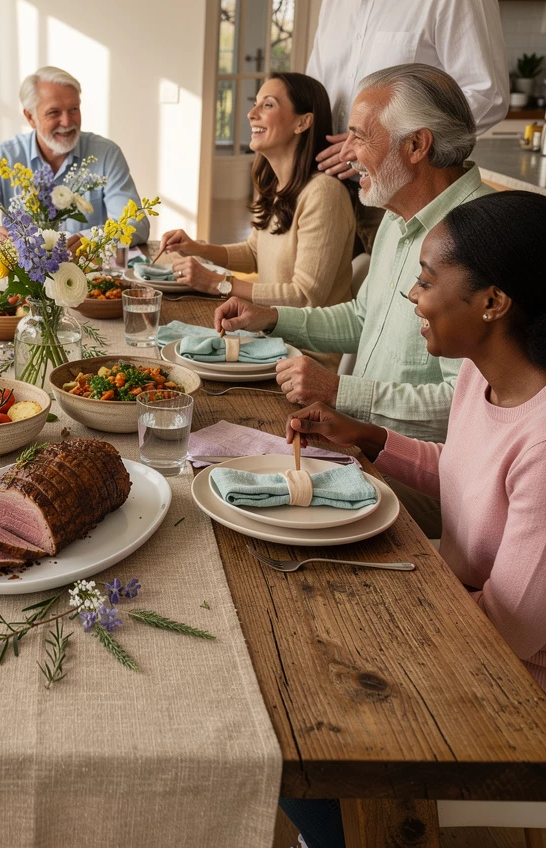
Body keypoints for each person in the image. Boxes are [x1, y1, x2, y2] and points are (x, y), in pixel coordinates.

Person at [279, 190, 546, 848]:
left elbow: (509, 633)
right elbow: (463, 473)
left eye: (427, 280)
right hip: (457, 620)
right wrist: (364, 437)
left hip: (514, 685)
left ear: (492, 302)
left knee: (292, 722)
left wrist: (381, 605)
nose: (412, 296)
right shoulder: (479, 376)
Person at [214, 64, 495, 536]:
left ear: (416, 145)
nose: (347, 153)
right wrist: (273, 318)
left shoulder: (479, 238)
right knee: (224, 462)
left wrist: (340, 392)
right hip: (360, 443)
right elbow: (364, 318)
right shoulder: (398, 213)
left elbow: (462, 405)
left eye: (359, 137)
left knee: (240, 502)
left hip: (428, 479)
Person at [303, 0, 507, 249]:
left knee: (400, 306)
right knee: (338, 305)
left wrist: (382, 141)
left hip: (410, 195)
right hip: (333, 192)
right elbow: (319, 86)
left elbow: (486, 94)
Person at [161, 73, 354, 336]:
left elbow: (304, 296)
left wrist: (218, 283)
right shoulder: (276, 186)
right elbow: (254, 253)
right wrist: (196, 248)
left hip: (304, 355)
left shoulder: (324, 193)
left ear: (303, 122)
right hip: (268, 336)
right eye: (256, 103)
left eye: (268, 105)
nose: (251, 113)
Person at [0, 66, 149, 249]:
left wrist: (89, 239)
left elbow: (136, 224)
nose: (67, 121)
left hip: (88, 276)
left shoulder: (106, 154)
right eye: (54, 112)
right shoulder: (4, 157)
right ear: (30, 117)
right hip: (23, 279)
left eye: (74, 110)